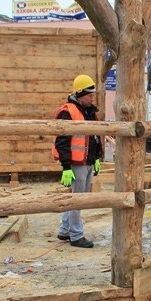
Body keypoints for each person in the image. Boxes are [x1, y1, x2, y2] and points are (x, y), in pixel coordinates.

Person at [52, 74, 104, 248]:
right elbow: (62, 142)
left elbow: (94, 137)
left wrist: (96, 157)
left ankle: (65, 229)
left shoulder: (90, 112)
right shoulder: (67, 112)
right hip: (76, 164)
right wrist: (66, 166)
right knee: (78, 200)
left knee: (78, 197)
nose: (92, 97)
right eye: (89, 95)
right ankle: (76, 235)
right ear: (80, 94)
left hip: (87, 162)